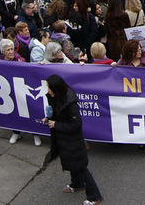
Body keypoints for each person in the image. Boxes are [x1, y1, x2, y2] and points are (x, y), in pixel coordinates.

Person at [44, 74, 102, 205]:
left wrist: (56, 125)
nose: (48, 90)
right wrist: (48, 119)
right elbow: (56, 114)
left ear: (56, 88)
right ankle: (77, 184)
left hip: (73, 141)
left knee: (81, 167)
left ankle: (94, 197)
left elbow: (76, 125)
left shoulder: (71, 104)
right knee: (71, 163)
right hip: (64, 140)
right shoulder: (56, 97)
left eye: (49, 88)